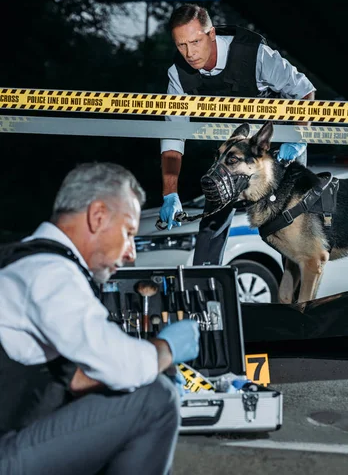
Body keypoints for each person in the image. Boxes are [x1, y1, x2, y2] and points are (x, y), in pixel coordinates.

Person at [0, 162, 199, 475]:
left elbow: (76, 379)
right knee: (154, 400)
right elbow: (120, 365)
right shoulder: (50, 273)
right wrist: (165, 349)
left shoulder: (24, 259)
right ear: (98, 217)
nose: (132, 252)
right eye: (129, 232)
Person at [159, 3, 316, 266]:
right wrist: (169, 194)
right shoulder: (178, 74)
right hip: (232, 149)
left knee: (292, 225)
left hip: (276, 144)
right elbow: (173, 135)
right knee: (212, 223)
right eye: (181, 45)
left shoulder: (255, 55)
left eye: (195, 41)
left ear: (211, 34)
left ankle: (297, 300)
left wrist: (298, 138)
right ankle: (207, 291)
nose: (189, 53)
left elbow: (304, 92)